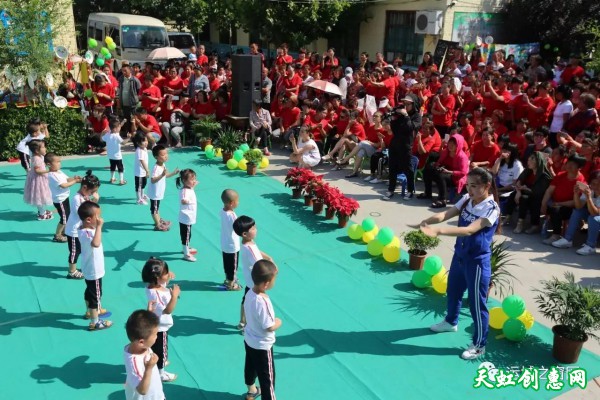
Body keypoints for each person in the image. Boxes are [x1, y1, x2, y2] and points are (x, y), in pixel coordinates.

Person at [413, 168, 500, 360]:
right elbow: (446, 214)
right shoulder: (467, 199)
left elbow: (469, 230)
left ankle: (479, 345)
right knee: (453, 291)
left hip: (476, 262)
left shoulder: (491, 208)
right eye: (468, 184)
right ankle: (451, 322)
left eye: (475, 186)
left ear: (486, 186)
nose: (470, 189)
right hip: (460, 256)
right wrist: (426, 221)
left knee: (477, 305)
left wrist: (438, 231)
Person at [243, 259, 281, 400]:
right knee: (268, 379)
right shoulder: (263, 301)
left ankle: (251, 390)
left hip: (249, 340)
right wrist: (278, 322)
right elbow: (269, 326)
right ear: (266, 284)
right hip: (263, 346)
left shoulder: (249, 294)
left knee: (250, 366)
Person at [142, 257, 181, 382]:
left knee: (155, 347)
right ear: (157, 277)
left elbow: (163, 283)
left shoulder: (152, 286)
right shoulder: (158, 294)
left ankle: (157, 359)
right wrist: (174, 296)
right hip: (161, 327)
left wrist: (167, 275)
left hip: (156, 326)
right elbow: (167, 310)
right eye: (166, 273)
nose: (168, 275)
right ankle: (161, 373)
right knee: (162, 349)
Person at [233, 216, 273, 333]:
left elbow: (257, 250)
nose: (256, 229)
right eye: (253, 228)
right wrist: (272, 269)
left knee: (245, 301)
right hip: (255, 283)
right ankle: (248, 325)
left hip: (250, 282)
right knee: (253, 304)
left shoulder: (249, 243)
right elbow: (260, 265)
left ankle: (242, 322)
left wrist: (268, 257)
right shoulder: (249, 248)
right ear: (245, 234)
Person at [77, 201, 112, 330]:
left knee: (90, 292)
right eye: (98, 216)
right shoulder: (88, 233)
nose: (100, 219)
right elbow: (96, 243)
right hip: (94, 270)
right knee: (95, 296)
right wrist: (99, 227)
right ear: (88, 219)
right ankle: (95, 321)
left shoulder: (85, 228)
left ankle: (89, 312)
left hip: (89, 268)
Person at [551, 171, 600, 255]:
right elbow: (578, 206)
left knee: (593, 219)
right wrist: (576, 194)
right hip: (593, 213)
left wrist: (589, 198)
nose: (596, 186)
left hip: (596, 216)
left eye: (598, 184)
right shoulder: (590, 190)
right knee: (577, 212)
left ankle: (591, 246)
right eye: (593, 184)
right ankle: (568, 239)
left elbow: (595, 213)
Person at [541, 154, 587, 245]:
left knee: (556, 209)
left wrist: (560, 203)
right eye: (568, 162)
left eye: (573, 164)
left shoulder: (581, 182)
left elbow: (576, 202)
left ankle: (556, 235)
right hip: (555, 202)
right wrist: (543, 204)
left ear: (579, 167)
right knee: (541, 200)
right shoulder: (560, 175)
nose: (569, 165)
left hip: (569, 207)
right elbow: (549, 191)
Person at [383, 95, 422, 200]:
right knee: (392, 167)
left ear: (413, 105)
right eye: (405, 104)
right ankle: (391, 189)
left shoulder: (417, 116)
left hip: (406, 145)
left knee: (408, 169)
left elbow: (410, 128)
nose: (405, 106)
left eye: (408, 104)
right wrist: (393, 118)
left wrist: (405, 116)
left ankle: (410, 191)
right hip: (395, 143)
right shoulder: (399, 113)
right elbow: (394, 129)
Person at [64, 171, 101, 280]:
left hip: (80, 230)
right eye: (91, 192)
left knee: (80, 250)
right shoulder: (77, 198)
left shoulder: (84, 197)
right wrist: (93, 201)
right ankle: (71, 271)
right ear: (84, 187)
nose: (91, 194)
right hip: (73, 231)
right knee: (75, 251)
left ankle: (74, 267)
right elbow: (82, 214)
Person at [505, 152, 553, 234]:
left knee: (525, 199)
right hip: (525, 192)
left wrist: (526, 189)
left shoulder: (544, 176)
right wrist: (519, 191)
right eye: (529, 158)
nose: (529, 160)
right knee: (513, 195)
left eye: (532, 159)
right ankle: (508, 217)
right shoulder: (528, 171)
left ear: (539, 161)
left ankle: (527, 224)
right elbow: (519, 181)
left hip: (537, 197)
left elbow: (538, 192)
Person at [123, 310, 164, 400]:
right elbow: (142, 391)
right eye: (155, 335)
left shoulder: (141, 345)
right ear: (141, 342)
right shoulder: (134, 362)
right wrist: (149, 369)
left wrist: (149, 313)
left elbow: (142, 327)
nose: (156, 337)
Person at [419, 134, 469, 208]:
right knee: (427, 170)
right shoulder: (446, 152)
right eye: (450, 143)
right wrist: (435, 166)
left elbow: (463, 173)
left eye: (453, 144)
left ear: (458, 145)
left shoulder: (462, 157)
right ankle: (428, 193)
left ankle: (442, 200)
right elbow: (439, 162)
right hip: (445, 171)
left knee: (441, 176)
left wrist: (448, 171)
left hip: (456, 177)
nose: (450, 146)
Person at [45, 153, 82, 243]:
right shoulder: (52, 175)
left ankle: (64, 231)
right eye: (57, 162)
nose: (59, 163)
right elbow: (63, 185)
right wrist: (75, 181)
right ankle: (57, 235)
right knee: (64, 219)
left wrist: (74, 178)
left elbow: (67, 179)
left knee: (67, 216)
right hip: (59, 200)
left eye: (60, 162)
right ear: (49, 164)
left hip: (64, 198)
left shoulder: (59, 172)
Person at [147, 145, 180, 232]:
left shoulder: (163, 164)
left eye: (166, 154)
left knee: (157, 208)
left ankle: (158, 220)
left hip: (159, 192)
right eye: (163, 155)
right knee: (154, 209)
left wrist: (174, 173)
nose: (166, 156)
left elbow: (166, 175)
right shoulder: (156, 168)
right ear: (156, 157)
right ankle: (158, 225)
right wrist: (162, 174)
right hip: (154, 193)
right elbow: (153, 180)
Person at [491, 143, 524, 222]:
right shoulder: (499, 160)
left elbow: (514, 184)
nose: (504, 152)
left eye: (507, 150)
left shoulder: (517, 165)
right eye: (503, 150)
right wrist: (499, 159)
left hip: (509, 189)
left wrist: (500, 190)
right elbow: (494, 172)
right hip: (498, 186)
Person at [23, 140, 53, 220]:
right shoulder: (36, 158)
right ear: (37, 150)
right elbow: (37, 171)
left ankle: (42, 211)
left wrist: (45, 165)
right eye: (43, 147)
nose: (45, 148)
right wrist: (49, 170)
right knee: (40, 196)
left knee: (41, 196)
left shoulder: (39, 156)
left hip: (39, 179)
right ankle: (42, 214)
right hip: (38, 180)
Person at [221, 189, 242, 290]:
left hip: (225, 243)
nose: (238, 203)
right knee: (233, 265)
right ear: (232, 203)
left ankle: (228, 278)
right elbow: (237, 227)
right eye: (237, 201)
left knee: (227, 263)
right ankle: (231, 284)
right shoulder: (232, 215)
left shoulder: (222, 211)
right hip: (232, 245)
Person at [176, 169, 197, 262]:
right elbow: (184, 199)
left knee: (188, 235)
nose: (194, 181)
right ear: (184, 181)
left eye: (195, 179)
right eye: (192, 180)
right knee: (186, 235)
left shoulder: (189, 188)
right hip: (186, 218)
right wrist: (185, 200)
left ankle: (186, 248)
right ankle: (186, 254)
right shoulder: (185, 191)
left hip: (188, 217)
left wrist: (193, 185)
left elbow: (191, 189)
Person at [117, 64, 142, 135]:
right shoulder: (121, 79)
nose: (123, 72)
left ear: (130, 70)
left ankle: (134, 133)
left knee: (133, 119)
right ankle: (127, 132)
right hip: (124, 103)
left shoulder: (135, 80)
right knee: (125, 119)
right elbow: (119, 90)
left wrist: (135, 98)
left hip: (132, 104)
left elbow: (138, 90)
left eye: (125, 71)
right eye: (122, 71)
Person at [103, 118, 126, 185]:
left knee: (112, 167)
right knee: (120, 168)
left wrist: (102, 133)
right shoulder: (117, 136)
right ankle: (121, 180)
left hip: (110, 156)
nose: (120, 128)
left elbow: (102, 139)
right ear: (115, 128)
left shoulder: (108, 134)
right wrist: (129, 137)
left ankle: (112, 178)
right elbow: (123, 143)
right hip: (118, 156)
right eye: (119, 127)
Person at [133, 133, 150, 205]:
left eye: (146, 140)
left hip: (143, 171)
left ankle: (142, 195)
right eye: (144, 141)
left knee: (143, 184)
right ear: (138, 143)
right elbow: (142, 161)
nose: (146, 142)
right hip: (139, 172)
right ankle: (139, 199)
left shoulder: (144, 149)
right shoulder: (140, 151)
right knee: (139, 186)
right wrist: (147, 170)